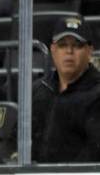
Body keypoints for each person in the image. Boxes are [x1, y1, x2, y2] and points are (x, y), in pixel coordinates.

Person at [32, 17, 100, 163]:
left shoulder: (97, 93)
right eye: (62, 45)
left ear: (90, 51)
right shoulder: (39, 89)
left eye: (77, 45)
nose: (69, 51)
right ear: (53, 50)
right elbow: (16, 138)